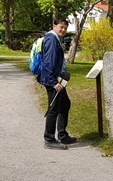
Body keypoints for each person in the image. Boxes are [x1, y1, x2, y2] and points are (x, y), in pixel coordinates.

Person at [36, 18, 76, 150]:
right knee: (53, 108)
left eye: (65, 27)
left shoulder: (54, 38)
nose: (63, 30)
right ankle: (49, 139)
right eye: (61, 27)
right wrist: (54, 83)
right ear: (54, 26)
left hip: (57, 79)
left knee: (64, 104)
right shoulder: (52, 40)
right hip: (52, 80)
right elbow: (49, 63)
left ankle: (62, 135)